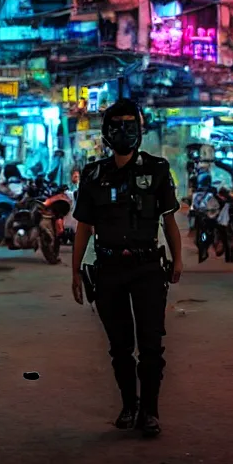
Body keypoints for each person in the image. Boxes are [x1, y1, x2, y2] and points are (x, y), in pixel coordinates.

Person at [70, 99, 184, 439]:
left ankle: (149, 412)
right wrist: (75, 271)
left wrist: (177, 259)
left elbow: (168, 220)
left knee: (151, 345)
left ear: (140, 130)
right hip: (108, 270)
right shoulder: (93, 175)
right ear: (106, 133)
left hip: (148, 267)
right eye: (116, 125)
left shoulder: (158, 169)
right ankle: (128, 405)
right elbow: (83, 227)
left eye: (130, 125)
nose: (124, 132)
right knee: (119, 346)